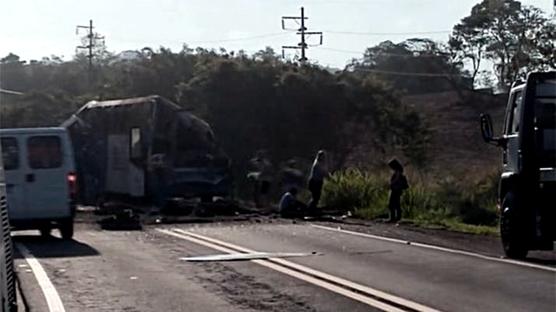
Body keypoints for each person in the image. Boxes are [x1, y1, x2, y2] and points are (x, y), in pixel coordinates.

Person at [388, 158, 409, 222]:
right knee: (396, 204)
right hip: (397, 190)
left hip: (396, 190)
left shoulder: (398, 172)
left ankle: (394, 218)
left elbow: (396, 180)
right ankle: (396, 217)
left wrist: (391, 184)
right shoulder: (399, 171)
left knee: (393, 204)